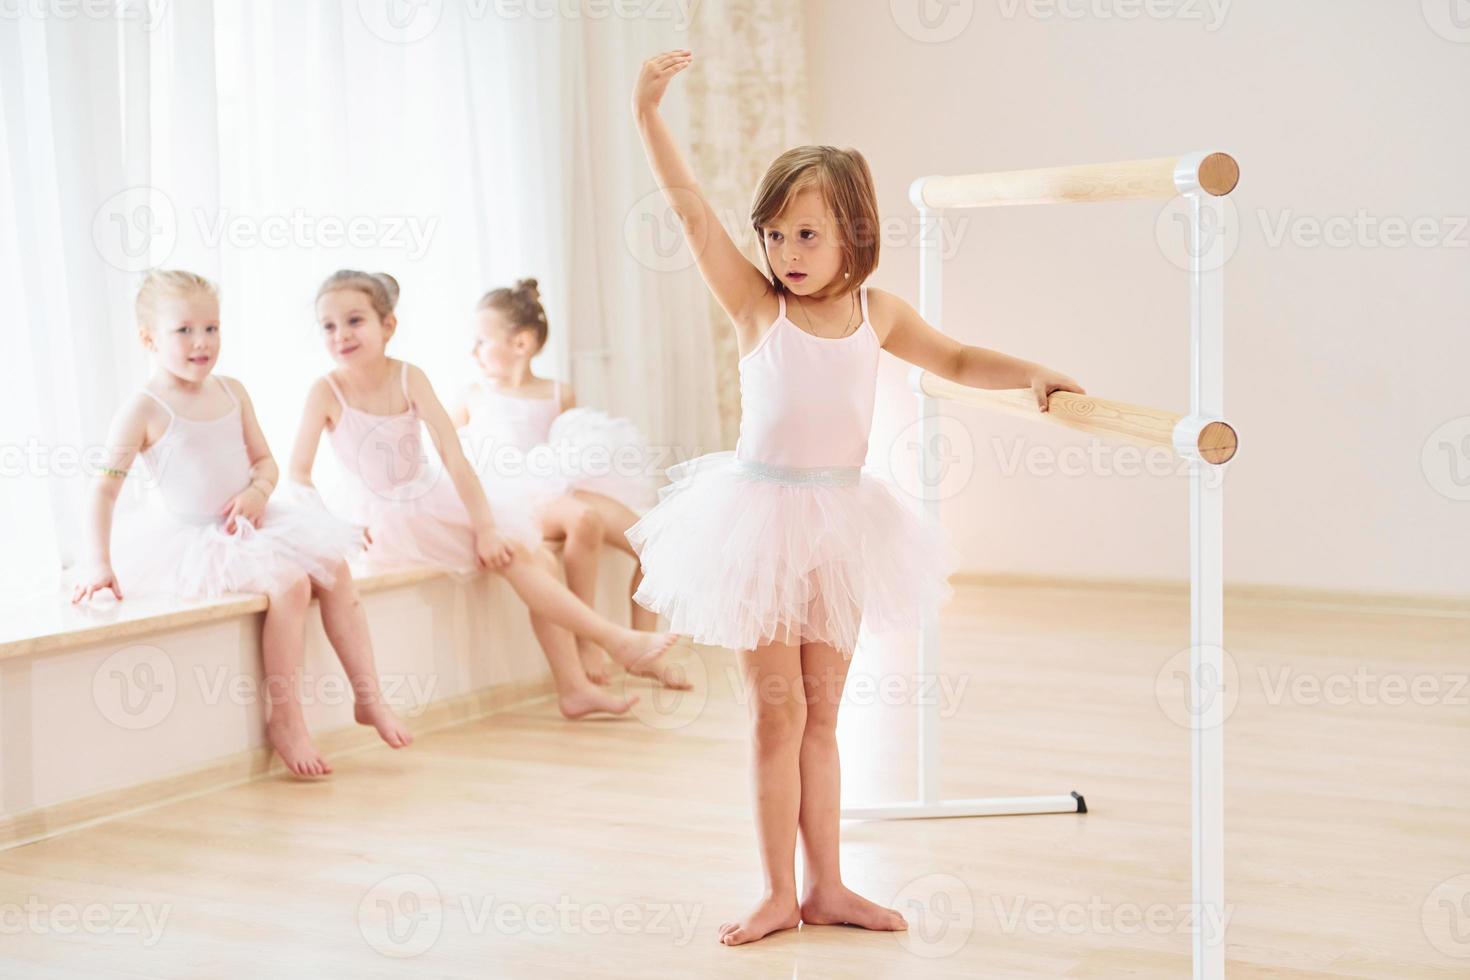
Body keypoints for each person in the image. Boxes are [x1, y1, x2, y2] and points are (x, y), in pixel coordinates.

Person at [628, 50, 1086, 945]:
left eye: (808, 235)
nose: (787, 254)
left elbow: (954, 360)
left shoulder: (880, 315)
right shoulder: (758, 309)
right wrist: (649, 116)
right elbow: (690, 215)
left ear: (854, 235)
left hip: (841, 524)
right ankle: (772, 890)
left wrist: (1030, 371)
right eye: (776, 235)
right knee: (777, 710)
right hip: (757, 523)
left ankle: (828, 884)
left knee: (825, 713)